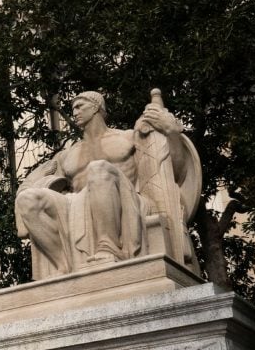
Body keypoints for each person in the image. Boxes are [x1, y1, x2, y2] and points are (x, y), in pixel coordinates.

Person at [14, 90, 201, 279]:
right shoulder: (67, 154)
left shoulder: (128, 138)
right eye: (73, 109)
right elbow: (32, 183)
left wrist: (171, 133)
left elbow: (174, 172)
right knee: (28, 200)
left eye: (80, 106)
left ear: (96, 107)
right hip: (77, 204)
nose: (75, 112)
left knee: (99, 169)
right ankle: (63, 266)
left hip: (128, 202)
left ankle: (109, 247)